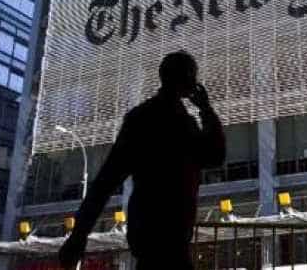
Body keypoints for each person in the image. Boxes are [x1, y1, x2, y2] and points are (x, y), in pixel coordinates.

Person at [59, 51, 226, 269]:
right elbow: (215, 156)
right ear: (187, 79)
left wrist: (79, 235)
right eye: (192, 75)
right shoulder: (180, 125)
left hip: (153, 237)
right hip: (167, 239)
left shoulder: (145, 118)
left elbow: (105, 182)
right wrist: (206, 110)